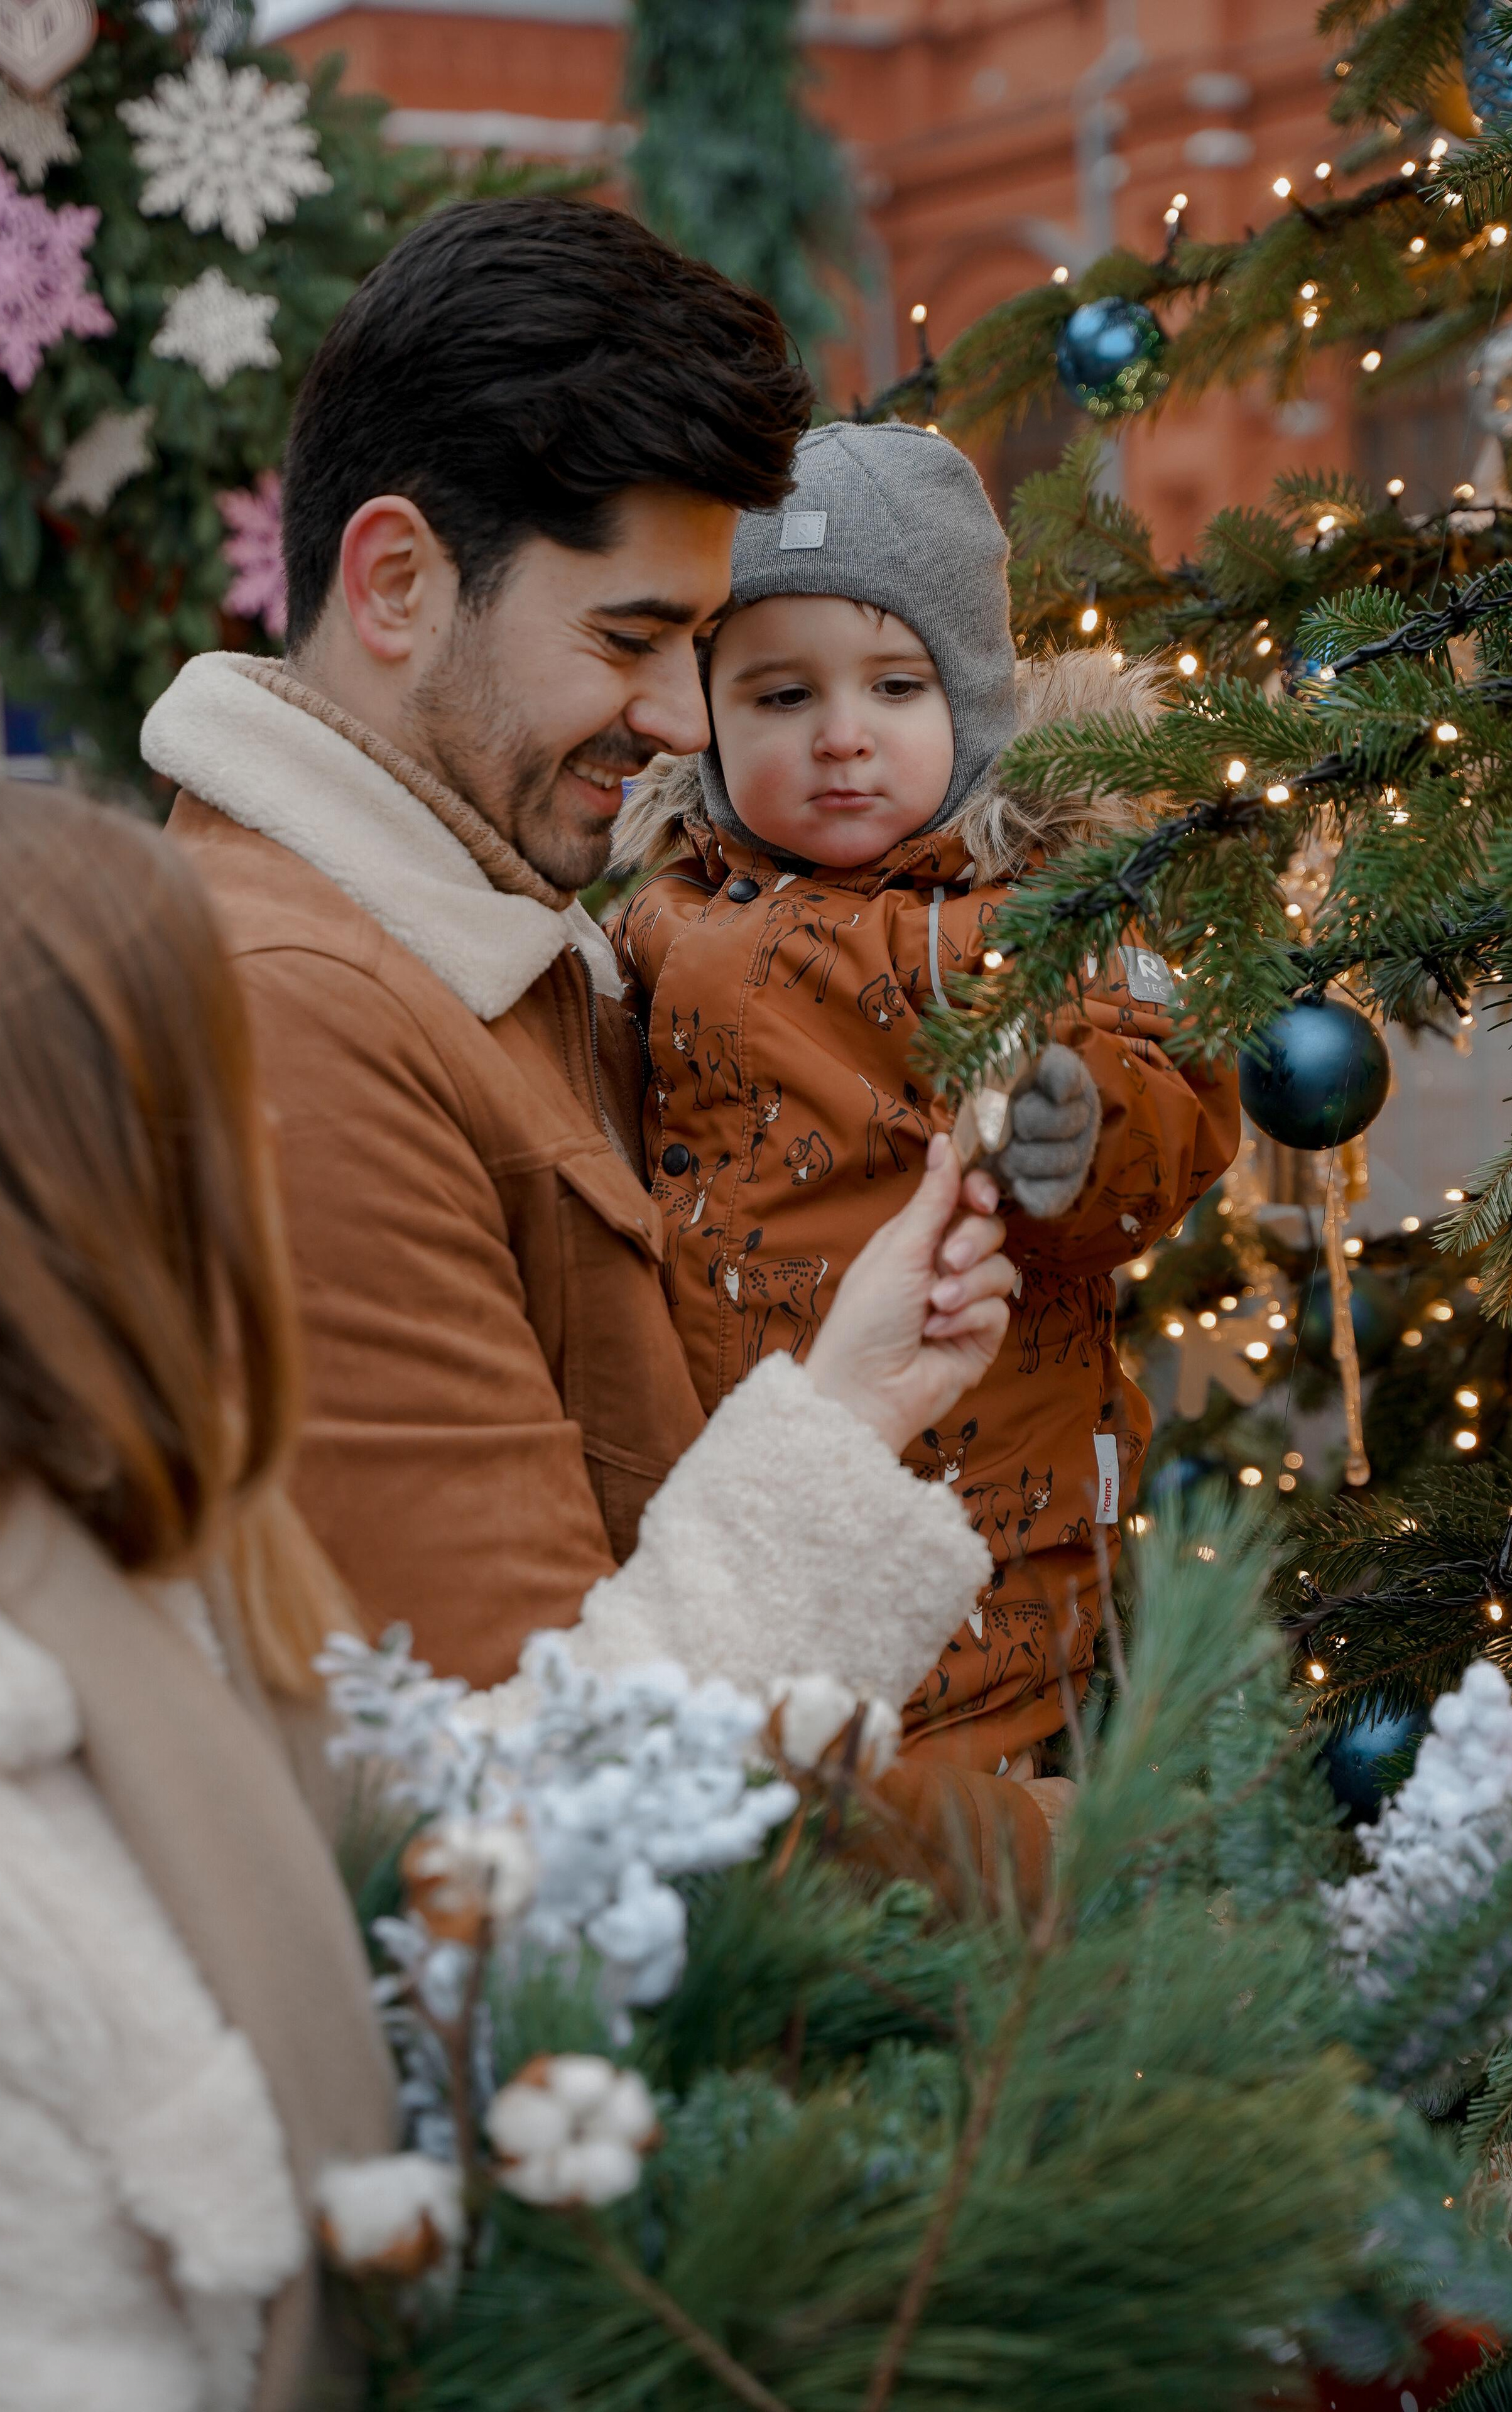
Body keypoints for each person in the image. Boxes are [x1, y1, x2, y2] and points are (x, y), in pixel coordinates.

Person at [144, 198, 1019, 1734]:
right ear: (399, 583)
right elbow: (541, 1786)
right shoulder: (294, 1018)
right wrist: (1081, 1876)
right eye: (628, 640)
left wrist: (848, 1400)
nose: (687, 722)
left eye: (697, 648)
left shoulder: (500, 947)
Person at [611, 421, 1241, 1792]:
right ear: (709, 712)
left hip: (982, 1526)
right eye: (779, 697)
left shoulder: (1030, 920)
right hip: (718, 1497)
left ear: (972, 699)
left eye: (893, 685)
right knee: (754, 1813)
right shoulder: (657, 917)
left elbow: (1170, 1103)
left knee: (943, 1837)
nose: (841, 740)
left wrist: (1074, 1128)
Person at [0, 777, 410, 2412]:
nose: (268, 1143)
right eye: (224, 1094)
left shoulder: (167, 1573)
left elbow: (472, 1843)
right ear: (92, 1183)